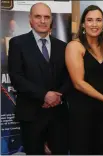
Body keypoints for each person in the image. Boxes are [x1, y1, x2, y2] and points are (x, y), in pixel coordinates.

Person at [8, 2, 69, 154]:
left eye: (46, 17)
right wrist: (44, 95)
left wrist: (58, 97)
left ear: (51, 21)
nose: (43, 21)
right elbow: (16, 77)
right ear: (30, 19)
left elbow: (69, 77)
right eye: (38, 16)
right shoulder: (17, 43)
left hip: (58, 115)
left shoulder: (63, 46)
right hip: (31, 115)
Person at [65, 5, 103, 155]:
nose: (94, 24)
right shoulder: (75, 46)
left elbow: (96, 79)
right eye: (90, 20)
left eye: (98, 20)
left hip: (102, 111)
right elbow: (78, 82)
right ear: (83, 24)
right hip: (82, 111)